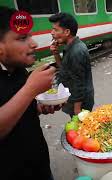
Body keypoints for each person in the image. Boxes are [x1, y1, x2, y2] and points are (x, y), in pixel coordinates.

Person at [0, 6, 62, 179]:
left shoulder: (19, 70)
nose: (34, 43)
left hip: (39, 165)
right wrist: (30, 90)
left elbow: (17, 109)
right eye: (22, 38)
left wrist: (40, 107)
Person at [49, 13, 94, 117]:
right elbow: (63, 69)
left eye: (55, 30)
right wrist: (56, 53)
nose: (52, 33)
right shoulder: (70, 47)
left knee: (81, 130)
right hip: (73, 98)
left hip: (79, 103)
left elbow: (79, 82)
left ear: (67, 32)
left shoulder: (76, 51)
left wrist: (77, 109)